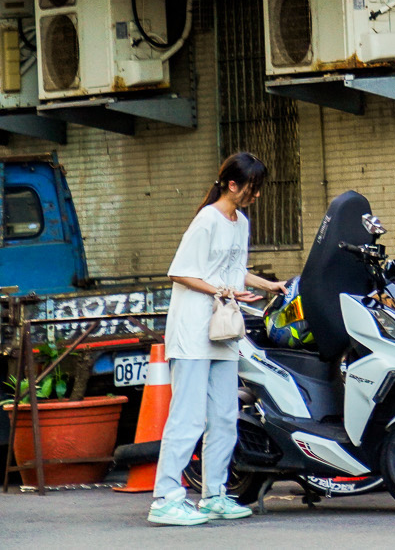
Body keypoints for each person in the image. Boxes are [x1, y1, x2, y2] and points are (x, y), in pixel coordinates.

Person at [150, 153, 288, 526]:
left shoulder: (239, 222)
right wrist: (221, 290)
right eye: (251, 188)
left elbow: (236, 270)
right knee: (188, 416)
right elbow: (180, 273)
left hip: (223, 329)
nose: (255, 196)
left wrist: (269, 285)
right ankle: (165, 499)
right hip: (194, 328)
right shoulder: (206, 220)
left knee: (225, 416)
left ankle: (214, 496)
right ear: (232, 184)